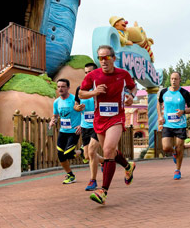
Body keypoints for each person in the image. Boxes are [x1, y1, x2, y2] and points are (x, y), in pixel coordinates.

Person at [79, 45, 137, 205]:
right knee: (110, 152)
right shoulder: (93, 75)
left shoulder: (123, 74)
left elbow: (133, 87)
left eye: (106, 57)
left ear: (113, 58)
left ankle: (103, 191)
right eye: (100, 58)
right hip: (99, 119)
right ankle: (128, 166)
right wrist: (94, 92)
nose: (103, 61)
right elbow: (81, 93)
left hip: (116, 117)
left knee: (107, 150)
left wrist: (131, 96)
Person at [157, 72, 190, 180]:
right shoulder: (164, 92)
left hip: (180, 125)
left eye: (176, 79)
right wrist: (160, 116)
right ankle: (173, 153)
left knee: (180, 148)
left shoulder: (184, 93)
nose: (173, 81)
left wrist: (183, 111)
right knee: (166, 147)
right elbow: (158, 103)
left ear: (179, 80)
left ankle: (177, 170)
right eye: (172, 79)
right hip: (167, 124)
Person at [74, 63, 105, 191]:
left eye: (90, 72)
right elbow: (76, 105)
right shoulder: (80, 89)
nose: (88, 75)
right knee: (87, 156)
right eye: (86, 72)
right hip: (85, 126)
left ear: (96, 72)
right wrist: (78, 108)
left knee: (92, 152)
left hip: (98, 124)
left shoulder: (101, 88)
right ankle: (104, 162)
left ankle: (93, 181)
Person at [49, 79, 83, 184]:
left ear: (68, 88)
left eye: (63, 86)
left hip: (74, 131)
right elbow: (55, 115)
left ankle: (82, 152)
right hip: (63, 131)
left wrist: (82, 125)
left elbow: (84, 112)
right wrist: (52, 121)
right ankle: (70, 175)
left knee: (68, 154)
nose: (60, 89)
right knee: (60, 154)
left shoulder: (75, 99)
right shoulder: (56, 102)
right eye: (58, 87)